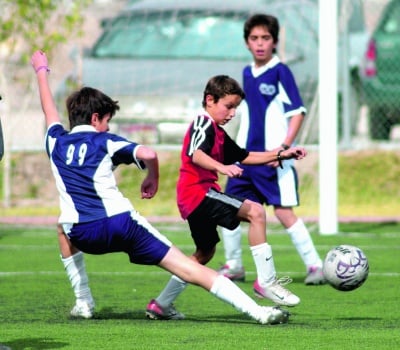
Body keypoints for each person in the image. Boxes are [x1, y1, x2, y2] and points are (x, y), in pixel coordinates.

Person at [30, 49, 290, 325]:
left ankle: (83, 302)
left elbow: (49, 110)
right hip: (121, 225)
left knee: (61, 228)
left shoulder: (55, 141)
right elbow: (149, 154)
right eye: (107, 121)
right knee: (190, 268)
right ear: (95, 119)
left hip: (81, 232)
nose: (108, 127)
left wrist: (41, 72)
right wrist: (151, 177)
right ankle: (259, 312)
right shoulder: (106, 141)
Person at [145, 74, 307, 321]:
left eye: (236, 108)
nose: (232, 113)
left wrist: (282, 154)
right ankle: (266, 282)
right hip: (198, 193)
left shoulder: (218, 133)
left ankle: (161, 304)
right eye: (228, 106)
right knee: (256, 211)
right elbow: (196, 154)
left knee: (204, 253)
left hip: (195, 198)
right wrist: (222, 168)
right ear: (210, 100)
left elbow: (245, 155)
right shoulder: (203, 123)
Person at [218, 14, 326, 286]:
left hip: (271, 161)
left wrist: (283, 148)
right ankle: (234, 265)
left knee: (283, 212)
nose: (260, 43)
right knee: (228, 208)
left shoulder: (281, 71)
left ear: (275, 41)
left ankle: (315, 265)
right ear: (246, 43)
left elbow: (297, 112)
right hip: (245, 159)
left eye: (266, 38)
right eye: (254, 38)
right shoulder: (246, 72)